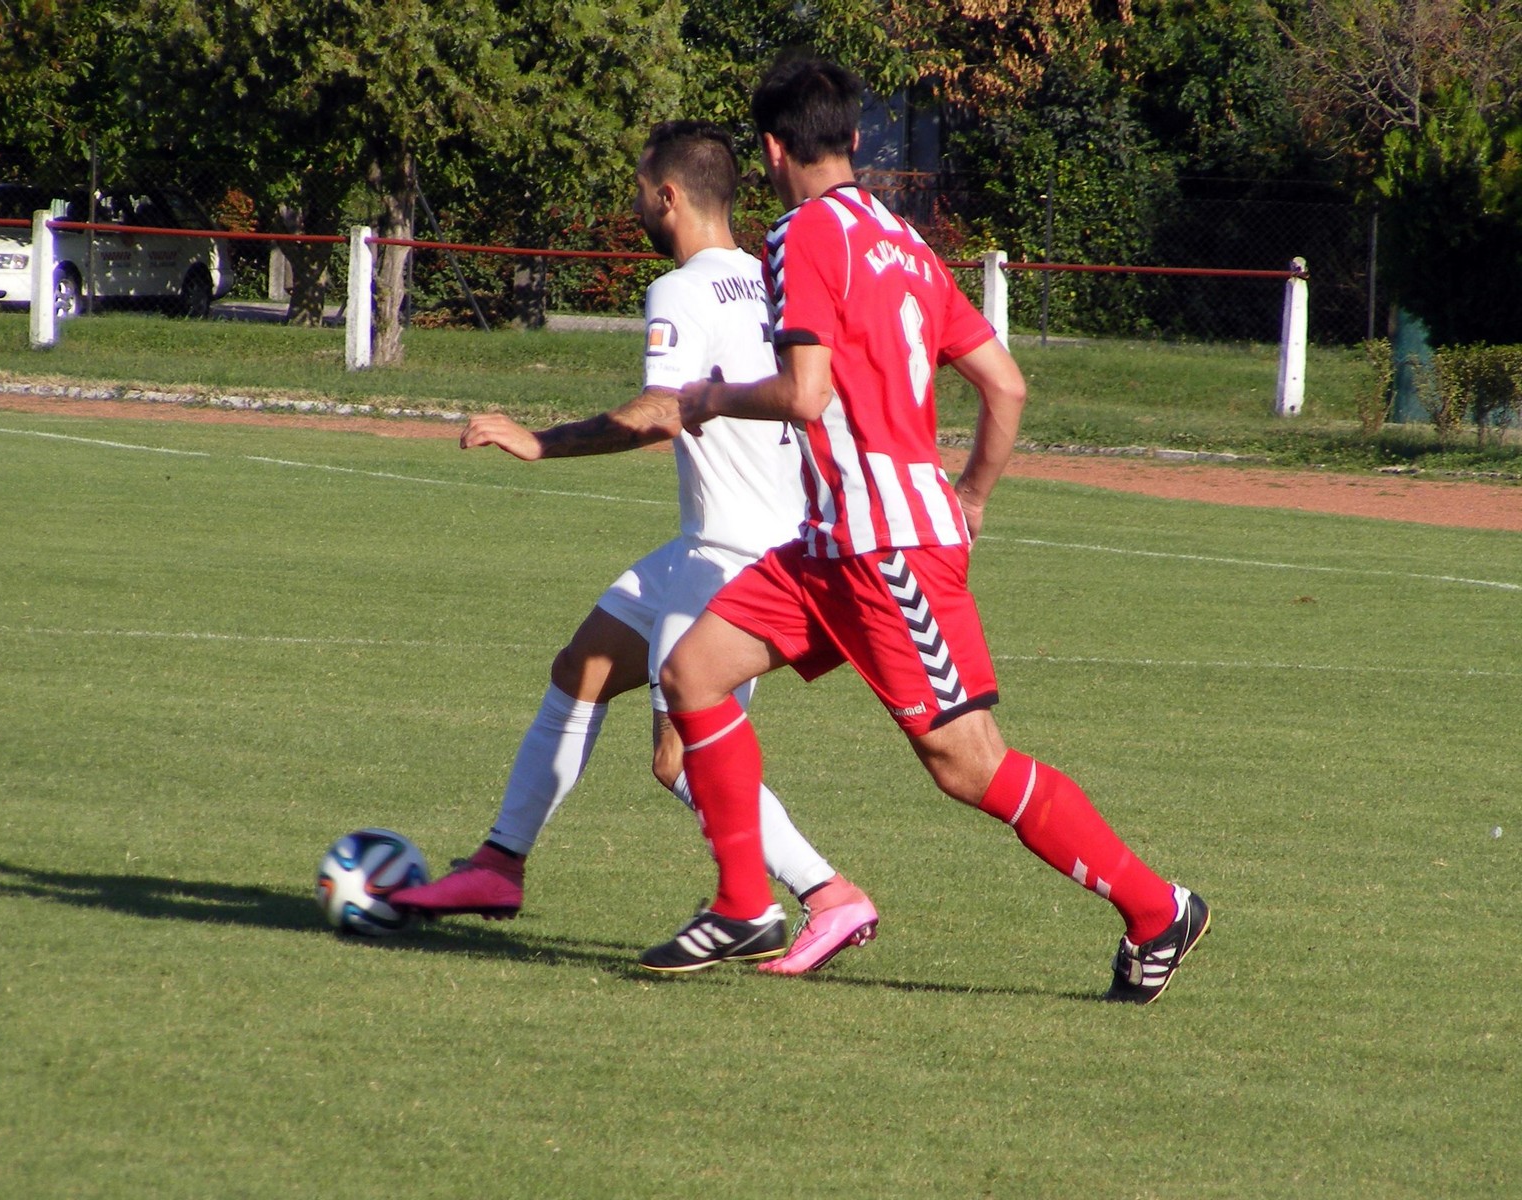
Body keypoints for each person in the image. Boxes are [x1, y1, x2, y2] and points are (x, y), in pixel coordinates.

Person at [640, 58, 1209, 1003]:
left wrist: (710, 398)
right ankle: (743, 902)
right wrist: (972, 494)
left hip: (885, 550)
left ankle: (1159, 910)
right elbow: (1005, 384)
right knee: (692, 674)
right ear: (852, 138)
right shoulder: (905, 240)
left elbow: (805, 394)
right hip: (831, 543)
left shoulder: (800, 234)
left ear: (773, 150)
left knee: (967, 763)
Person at [391, 119, 878, 975]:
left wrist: (539, 441)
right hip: (735, 540)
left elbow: (660, 413)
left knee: (679, 756)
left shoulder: (681, 289)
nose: (637, 206)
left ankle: (826, 895)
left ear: (670, 196)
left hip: (733, 558)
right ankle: (498, 865)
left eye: (640, 191)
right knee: (580, 666)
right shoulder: (774, 276)